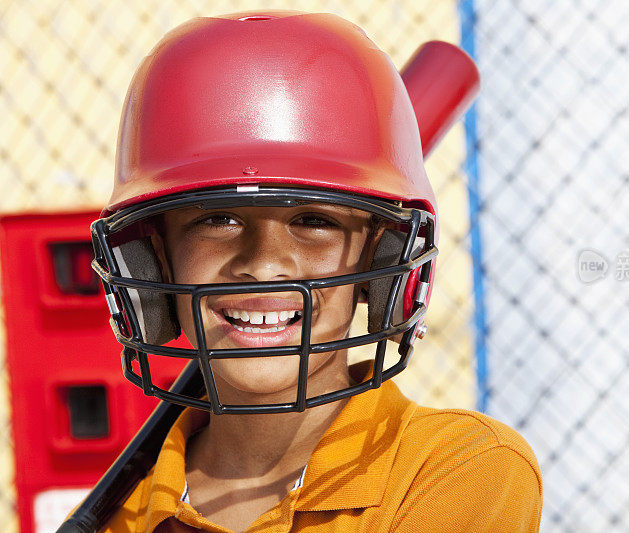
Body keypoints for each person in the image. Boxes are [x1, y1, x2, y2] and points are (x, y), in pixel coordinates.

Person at [91, 10, 542, 532]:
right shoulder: (123, 514)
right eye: (218, 219)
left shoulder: (455, 468)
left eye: (314, 220)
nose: (264, 264)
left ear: (383, 263)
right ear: (154, 257)